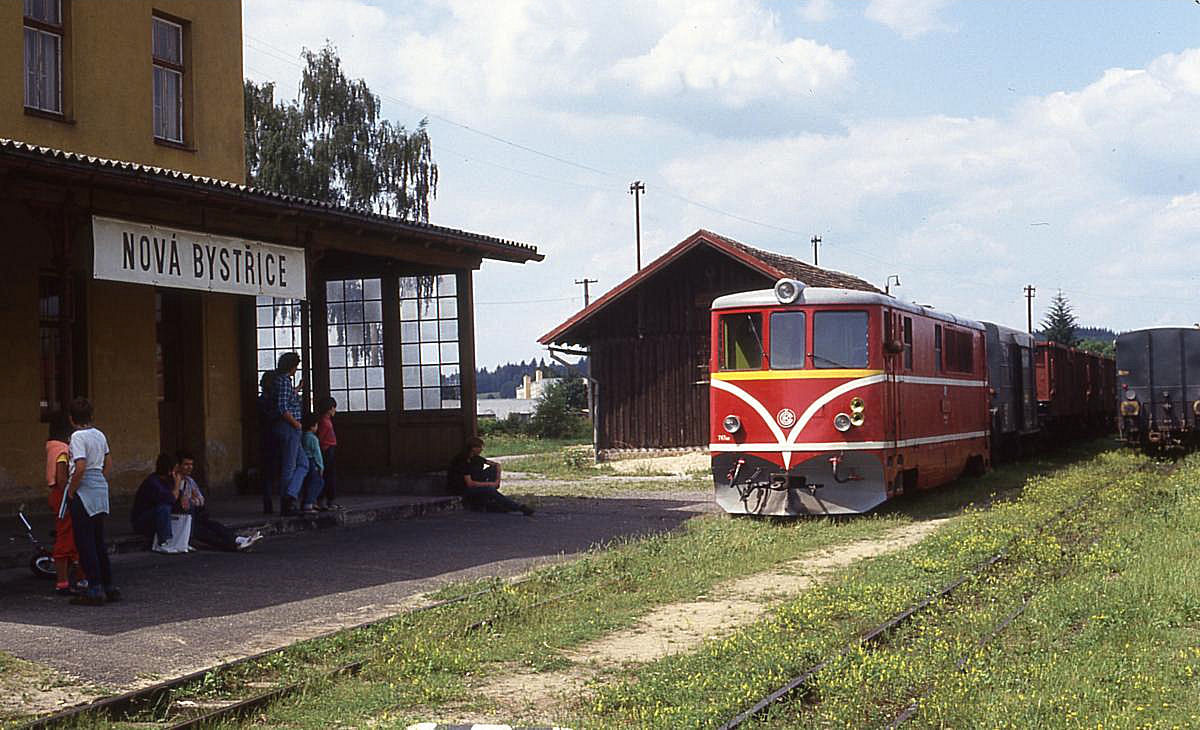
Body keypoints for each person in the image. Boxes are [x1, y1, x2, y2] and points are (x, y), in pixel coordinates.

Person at [64, 397, 120, 606]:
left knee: (85, 542)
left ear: (71, 419)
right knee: (98, 541)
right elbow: (109, 461)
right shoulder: (99, 434)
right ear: (91, 416)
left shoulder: (77, 437)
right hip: (99, 487)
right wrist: (100, 479)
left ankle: (94, 587)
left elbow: (79, 466)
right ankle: (108, 585)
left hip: (84, 489)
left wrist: (72, 489)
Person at [175, 451, 262, 551]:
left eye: (191, 464)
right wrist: (191, 499)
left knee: (215, 526)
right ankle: (235, 546)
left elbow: (200, 500)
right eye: (186, 464)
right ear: (178, 466)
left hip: (195, 516)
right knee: (207, 534)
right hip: (183, 521)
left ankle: (240, 539)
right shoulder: (175, 481)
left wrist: (191, 500)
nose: (190, 467)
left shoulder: (190, 481)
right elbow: (182, 504)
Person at [45, 415, 84, 595]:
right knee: (66, 537)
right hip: (63, 496)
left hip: (58, 495)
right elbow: (62, 478)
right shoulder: (62, 451)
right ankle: (63, 581)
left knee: (70, 536)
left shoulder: (52, 448)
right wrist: (69, 494)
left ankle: (70, 578)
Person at [448, 437, 534, 516]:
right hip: (463, 488)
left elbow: (495, 465)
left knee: (493, 470)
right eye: (479, 447)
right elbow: (469, 483)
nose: (481, 449)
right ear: (473, 448)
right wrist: (489, 484)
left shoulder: (476, 458)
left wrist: (497, 480)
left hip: (475, 483)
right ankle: (519, 507)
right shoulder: (462, 461)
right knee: (489, 489)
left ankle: (491, 499)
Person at [272, 352, 309, 516]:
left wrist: (298, 389)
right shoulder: (284, 382)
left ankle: (291, 494)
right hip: (290, 427)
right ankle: (286, 503)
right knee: (291, 465)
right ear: (291, 366)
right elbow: (282, 407)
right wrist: (297, 424)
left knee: (303, 463)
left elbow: (285, 399)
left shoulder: (281, 381)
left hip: (290, 427)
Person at [131, 452, 184, 554]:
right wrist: (177, 485)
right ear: (169, 470)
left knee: (187, 506)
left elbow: (178, 500)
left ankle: (183, 540)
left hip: (157, 519)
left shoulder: (168, 481)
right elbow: (171, 498)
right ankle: (163, 542)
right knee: (164, 508)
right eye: (176, 469)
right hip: (142, 521)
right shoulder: (153, 482)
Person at [257, 370, 278, 515]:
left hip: (266, 437)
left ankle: (268, 503)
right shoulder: (266, 400)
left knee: (267, 473)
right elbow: (269, 416)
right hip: (270, 437)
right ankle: (269, 503)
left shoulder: (263, 399)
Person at [314, 396, 340, 510]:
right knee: (328, 476)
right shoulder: (325, 422)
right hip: (327, 449)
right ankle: (327, 500)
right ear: (329, 409)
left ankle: (326, 500)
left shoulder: (325, 420)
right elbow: (320, 438)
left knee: (327, 475)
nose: (335, 410)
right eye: (334, 408)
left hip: (328, 449)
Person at [299, 414, 326, 514]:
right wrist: (321, 466)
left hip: (303, 460)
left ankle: (307, 502)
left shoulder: (302, 436)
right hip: (312, 462)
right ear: (313, 426)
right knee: (318, 482)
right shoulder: (313, 439)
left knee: (307, 483)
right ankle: (309, 502)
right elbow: (317, 454)